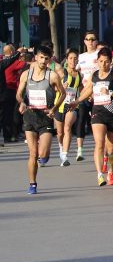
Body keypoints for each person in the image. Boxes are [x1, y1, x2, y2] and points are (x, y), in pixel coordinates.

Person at [15, 45, 65, 194]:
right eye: (41, 57)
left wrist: (54, 109)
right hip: (30, 116)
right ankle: (32, 183)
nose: (43, 61)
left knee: (42, 154)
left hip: (46, 117)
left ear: (50, 60)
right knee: (33, 153)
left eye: (46, 58)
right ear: (35, 57)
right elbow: (19, 94)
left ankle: (45, 156)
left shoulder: (52, 76)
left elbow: (62, 94)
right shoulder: (26, 74)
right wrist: (22, 102)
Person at [73, 48, 113, 187]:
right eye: (101, 61)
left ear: (111, 62)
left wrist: (111, 92)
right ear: (97, 61)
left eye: (106, 61)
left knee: (112, 148)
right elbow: (88, 89)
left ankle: (111, 171)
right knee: (99, 143)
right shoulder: (94, 75)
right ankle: (100, 175)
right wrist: (77, 101)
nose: (103, 64)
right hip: (98, 112)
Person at [75, 31, 101, 161]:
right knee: (81, 119)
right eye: (88, 39)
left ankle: (99, 147)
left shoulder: (100, 55)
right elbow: (76, 74)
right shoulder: (81, 57)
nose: (90, 42)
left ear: (96, 41)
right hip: (85, 93)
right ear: (84, 41)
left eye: (93, 39)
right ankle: (79, 150)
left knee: (96, 122)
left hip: (98, 94)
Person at [54, 49, 80, 166]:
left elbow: (82, 88)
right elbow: (53, 87)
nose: (73, 61)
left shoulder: (80, 74)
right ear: (67, 59)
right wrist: (60, 87)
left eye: (75, 58)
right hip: (59, 105)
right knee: (59, 133)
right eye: (71, 58)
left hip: (72, 105)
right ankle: (61, 147)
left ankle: (64, 155)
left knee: (67, 127)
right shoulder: (62, 73)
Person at [1, 45, 23, 145]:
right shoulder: (5, 62)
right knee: (8, 115)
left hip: (6, 92)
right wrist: (19, 52)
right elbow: (23, 64)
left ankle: (8, 135)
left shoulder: (2, 61)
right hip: (7, 93)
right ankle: (8, 136)